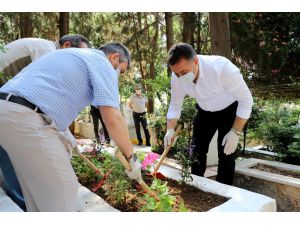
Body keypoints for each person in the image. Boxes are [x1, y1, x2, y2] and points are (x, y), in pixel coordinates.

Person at [0, 42, 142, 211]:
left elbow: (50, 95)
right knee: (64, 190)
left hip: (8, 110)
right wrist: (131, 158)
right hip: (25, 118)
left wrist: (62, 133)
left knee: (39, 195)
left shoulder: (72, 55)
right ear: (114, 57)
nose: (118, 75)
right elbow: (113, 119)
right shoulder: (102, 62)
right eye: (121, 71)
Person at [0, 34, 90, 211]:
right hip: (8, 104)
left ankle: (26, 202)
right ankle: (23, 202)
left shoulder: (44, 48)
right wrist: (66, 135)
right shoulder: (46, 50)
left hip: (7, 101)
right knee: (12, 156)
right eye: (80, 54)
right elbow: (45, 102)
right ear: (66, 45)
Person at [164, 43, 253, 185]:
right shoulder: (177, 77)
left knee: (226, 154)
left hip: (229, 111)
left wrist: (235, 132)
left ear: (196, 61)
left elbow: (246, 100)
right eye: (176, 74)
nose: (180, 77)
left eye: (184, 72)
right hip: (204, 111)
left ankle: (223, 192)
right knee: (196, 150)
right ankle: (196, 185)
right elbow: (175, 104)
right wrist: (170, 129)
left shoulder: (222, 68)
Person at [0, 35, 90, 86]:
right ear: (67, 44)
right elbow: (40, 83)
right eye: (77, 54)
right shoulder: (46, 49)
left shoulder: (46, 46)